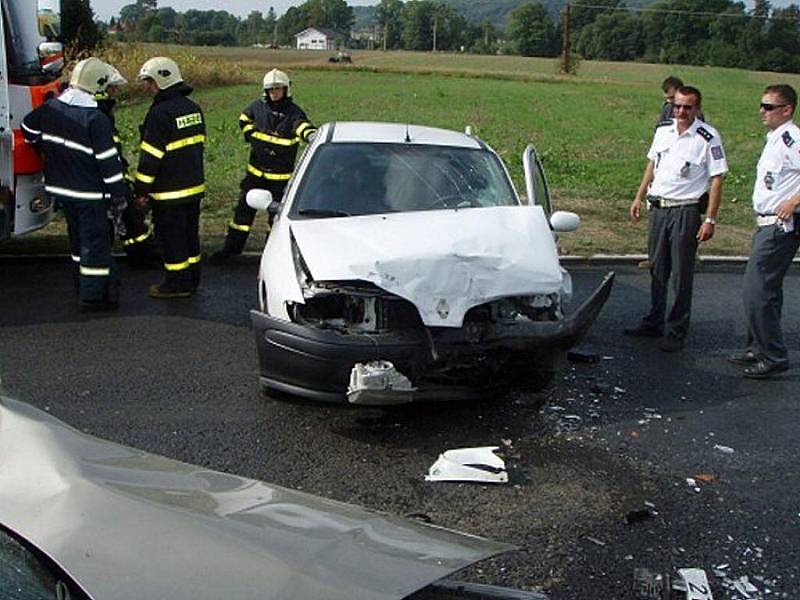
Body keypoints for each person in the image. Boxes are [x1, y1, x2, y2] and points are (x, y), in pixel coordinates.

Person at [21, 57, 128, 313]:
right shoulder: (95, 119)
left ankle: (83, 285)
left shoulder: (51, 108)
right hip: (90, 194)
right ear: (98, 85)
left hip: (61, 191)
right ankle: (92, 298)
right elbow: (108, 164)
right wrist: (119, 196)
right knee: (95, 244)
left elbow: (27, 128)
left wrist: (46, 146)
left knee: (78, 242)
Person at [627, 86, 728, 352]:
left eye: (688, 107)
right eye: (678, 106)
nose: (681, 112)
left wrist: (710, 219)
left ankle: (676, 330)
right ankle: (654, 321)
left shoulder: (707, 137)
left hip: (686, 210)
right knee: (657, 268)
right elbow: (652, 165)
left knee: (681, 273)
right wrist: (638, 197)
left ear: (698, 108)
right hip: (659, 208)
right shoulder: (663, 131)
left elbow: (717, 179)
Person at [728, 84, 800, 379]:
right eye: (762, 105)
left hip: (779, 227)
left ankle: (773, 355)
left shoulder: (791, 138)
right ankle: (757, 346)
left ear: (787, 110)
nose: (762, 111)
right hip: (766, 224)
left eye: (769, 106)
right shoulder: (774, 139)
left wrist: (794, 201)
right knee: (763, 291)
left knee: (756, 292)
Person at [211, 69, 315, 262]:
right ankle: (231, 249)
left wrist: (311, 135)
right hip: (255, 175)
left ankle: (271, 256)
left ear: (286, 89)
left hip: (280, 179)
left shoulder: (293, 112)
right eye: (271, 89)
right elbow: (244, 118)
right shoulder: (257, 107)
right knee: (242, 215)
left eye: (278, 89)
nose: (274, 93)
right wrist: (250, 132)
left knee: (274, 219)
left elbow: (301, 126)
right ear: (265, 91)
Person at [134, 57, 205, 298]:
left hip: (168, 193)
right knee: (189, 237)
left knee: (171, 239)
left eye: (150, 82)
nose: (147, 87)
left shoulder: (159, 114)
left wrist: (141, 190)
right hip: (193, 189)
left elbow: (150, 158)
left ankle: (176, 283)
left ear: (163, 80)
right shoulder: (193, 108)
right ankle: (192, 278)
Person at [94, 66, 160, 267]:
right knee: (128, 217)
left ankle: (140, 255)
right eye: (113, 88)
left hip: (107, 176)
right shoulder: (98, 115)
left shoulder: (100, 111)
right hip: (102, 180)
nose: (116, 92)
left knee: (130, 218)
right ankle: (141, 257)